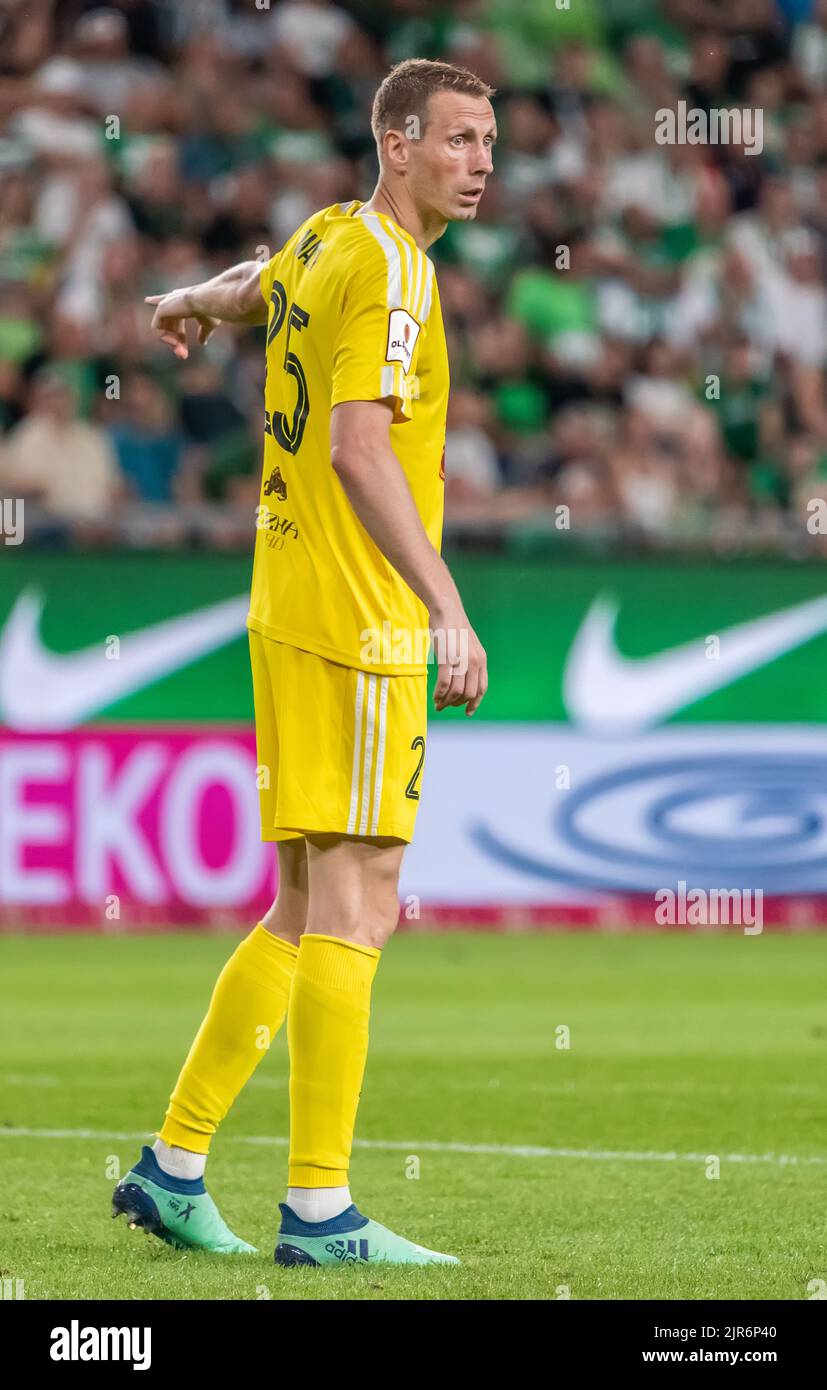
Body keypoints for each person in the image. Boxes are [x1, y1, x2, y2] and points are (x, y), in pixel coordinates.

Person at [113, 58, 493, 1268]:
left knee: (299, 899)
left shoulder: (328, 236)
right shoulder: (392, 269)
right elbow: (357, 448)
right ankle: (319, 1210)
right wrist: (446, 606)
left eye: (488, 140)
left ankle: (173, 1167)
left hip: (285, 602)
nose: (479, 160)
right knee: (362, 897)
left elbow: (252, 291)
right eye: (455, 139)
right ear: (394, 142)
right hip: (362, 614)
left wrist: (183, 297)